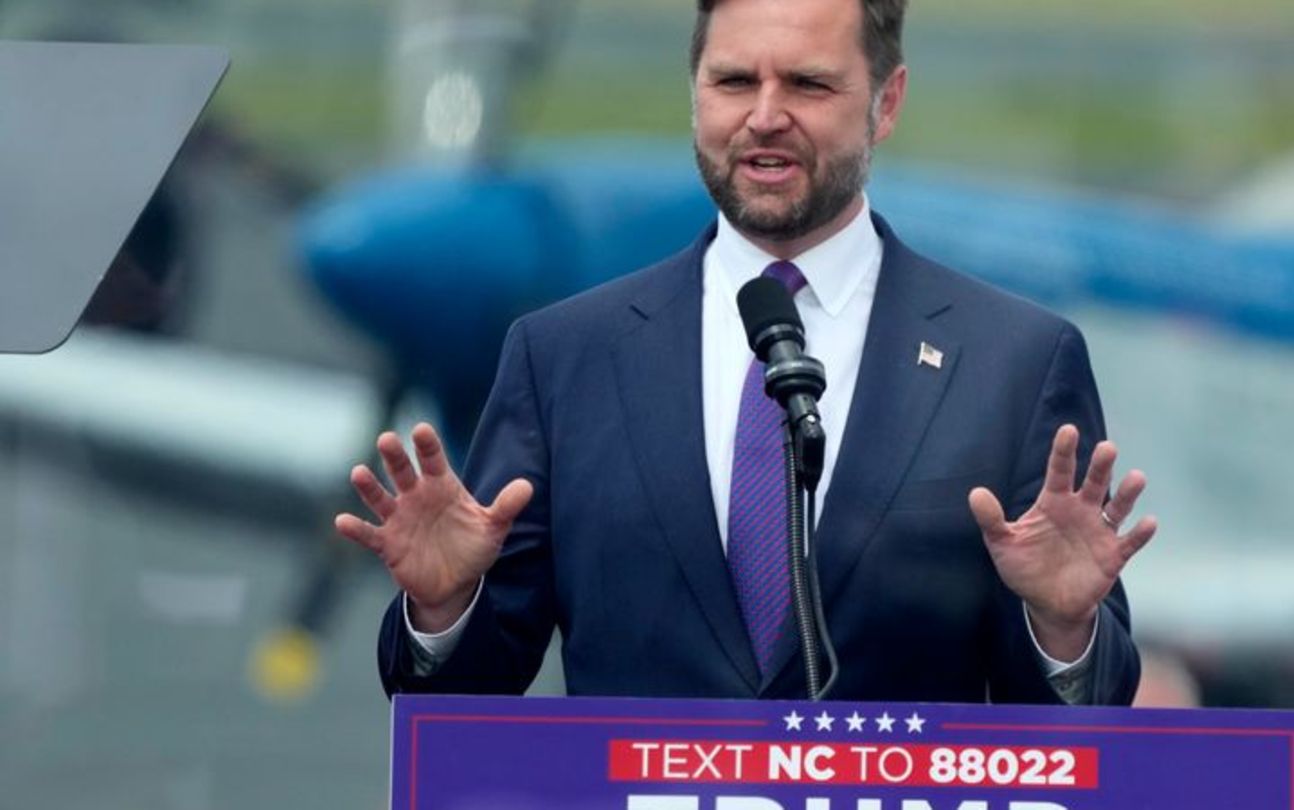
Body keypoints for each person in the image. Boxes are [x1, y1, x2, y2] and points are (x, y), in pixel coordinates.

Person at [337, 0, 1157, 705]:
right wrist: (444, 613)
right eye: (734, 82)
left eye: (808, 83)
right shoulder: (563, 359)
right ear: (694, 97)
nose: (765, 114)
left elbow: (1079, 723)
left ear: (886, 101)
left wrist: (1062, 627)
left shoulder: (1013, 360)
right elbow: (456, 703)